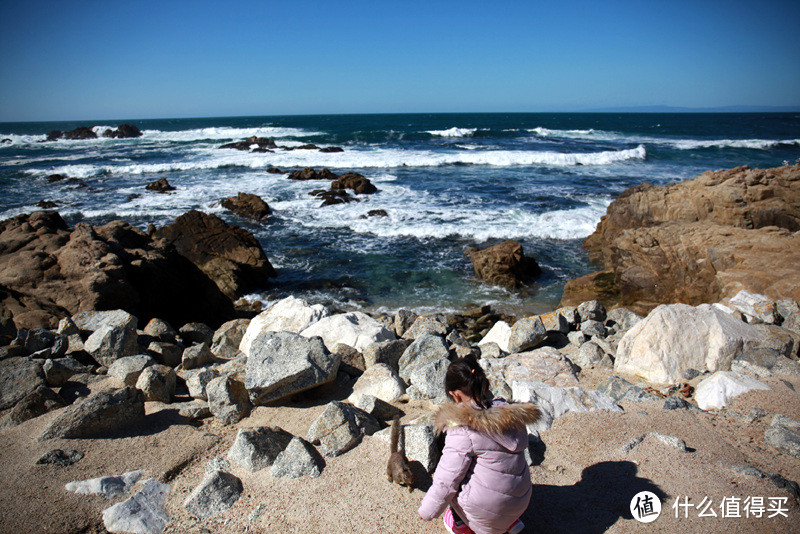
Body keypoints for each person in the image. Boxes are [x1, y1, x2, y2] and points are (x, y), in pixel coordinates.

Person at [418, 356, 542, 534]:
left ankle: (462, 525)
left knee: (455, 480)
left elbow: (446, 480)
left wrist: (427, 510)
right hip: (521, 501)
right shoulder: (508, 413)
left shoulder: (462, 429)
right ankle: (510, 523)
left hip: (491, 512)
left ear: (455, 395)